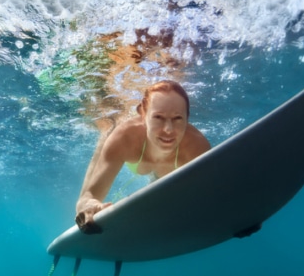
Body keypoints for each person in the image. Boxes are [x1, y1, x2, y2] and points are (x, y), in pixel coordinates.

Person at [75, 80, 211, 234]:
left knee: (160, 184)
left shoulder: (197, 146)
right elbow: (88, 196)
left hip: (163, 171)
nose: (168, 129)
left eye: (178, 118)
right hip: (126, 141)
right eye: (158, 117)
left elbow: (213, 194)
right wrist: (88, 205)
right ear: (143, 114)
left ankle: (155, 180)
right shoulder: (123, 138)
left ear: (187, 117)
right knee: (107, 133)